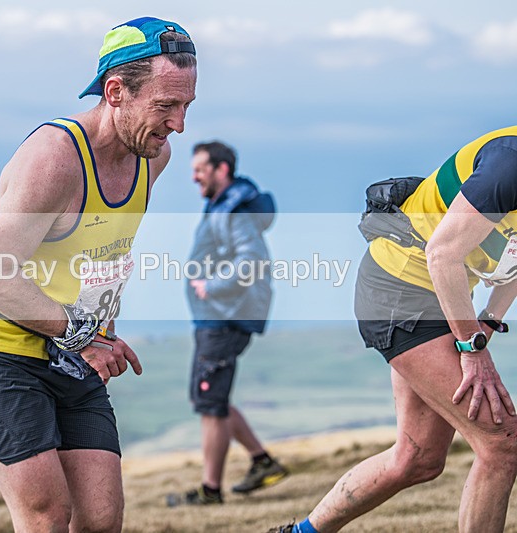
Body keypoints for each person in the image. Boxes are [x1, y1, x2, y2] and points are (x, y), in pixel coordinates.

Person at [0, 17, 197, 533]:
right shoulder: (55, 159)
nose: (179, 125)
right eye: (166, 106)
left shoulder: (153, 156)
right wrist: (81, 333)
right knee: (46, 515)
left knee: (101, 519)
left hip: (71, 346)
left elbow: (93, 253)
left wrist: (101, 329)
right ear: (116, 92)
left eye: (187, 106)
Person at [271, 125, 517, 533]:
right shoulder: (509, 163)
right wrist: (473, 350)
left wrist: (488, 318)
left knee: (416, 459)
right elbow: (442, 255)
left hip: (438, 295)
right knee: (502, 442)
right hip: (399, 289)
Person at [169, 141, 286, 506]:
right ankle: (263, 462)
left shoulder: (234, 210)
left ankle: (210, 491)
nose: (193, 176)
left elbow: (251, 260)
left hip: (224, 317)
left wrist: (211, 286)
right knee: (210, 397)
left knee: (210, 403)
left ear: (222, 170)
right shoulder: (223, 205)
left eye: (201, 168)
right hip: (217, 317)